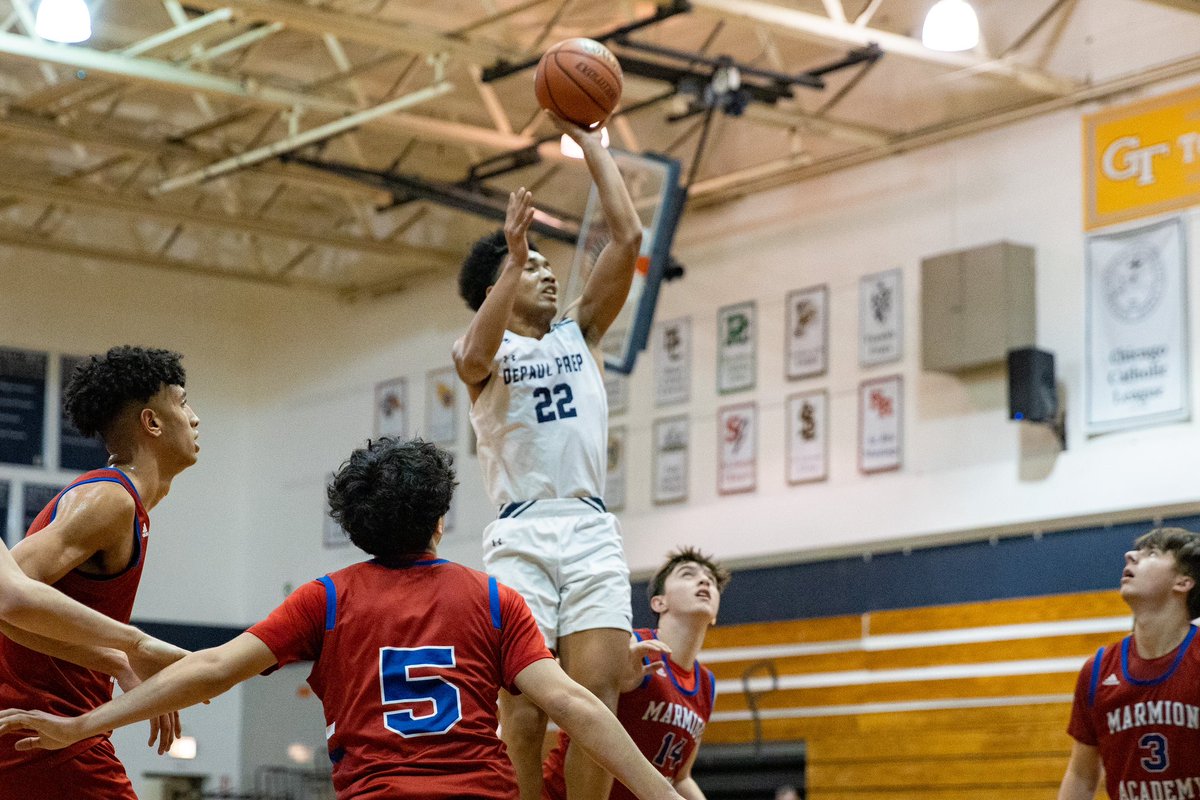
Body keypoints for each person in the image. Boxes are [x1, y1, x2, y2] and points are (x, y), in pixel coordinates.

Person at [0, 438, 688, 800]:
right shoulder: (491, 597)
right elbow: (576, 703)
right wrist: (659, 793)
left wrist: (83, 725)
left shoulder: (325, 600)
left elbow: (207, 672)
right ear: (440, 520)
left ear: (354, 526)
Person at [453, 113, 643, 800]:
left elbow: (628, 238)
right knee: (526, 702)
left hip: (589, 526)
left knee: (596, 695)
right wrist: (511, 257)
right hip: (523, 531)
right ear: (499, 282)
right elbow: (471, 353)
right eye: (531, 268)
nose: (548, 275)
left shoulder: (579, 333)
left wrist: (593, 145)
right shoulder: (483, 353)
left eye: (543, 264)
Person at [0, 345, 200, 799]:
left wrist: (112, 659)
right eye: (183, 402)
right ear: (151, 422)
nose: (194, 417)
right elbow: (5, 600)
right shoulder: (109, 499)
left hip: (49, 736)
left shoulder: (121, 504)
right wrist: (127, 649)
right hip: (44, 738)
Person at [542, 547, 731, 800]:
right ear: (659, 602)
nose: (705, 580)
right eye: (688, 574)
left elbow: (681, 776)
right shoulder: (631, 643)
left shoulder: (707, 684)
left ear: (715, 615)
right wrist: (619, 675)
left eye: (711, 580)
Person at [1057, 527, 1200, 800]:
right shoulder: (1098, 670)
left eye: (1152, 554)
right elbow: (1081, 775)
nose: (1130, 555)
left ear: (1183, 582)